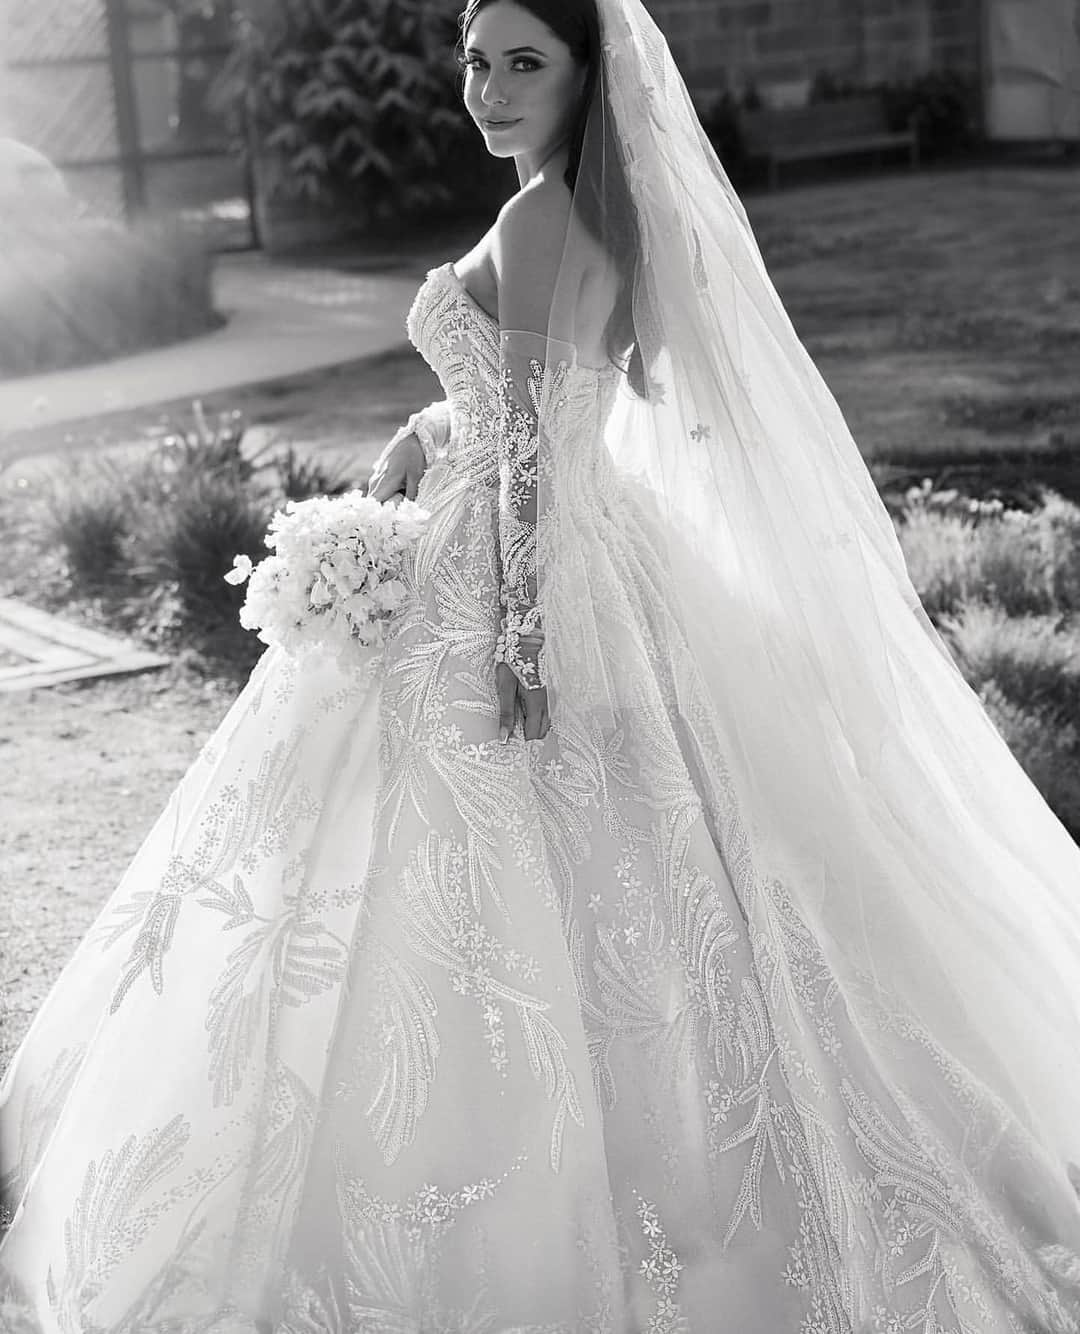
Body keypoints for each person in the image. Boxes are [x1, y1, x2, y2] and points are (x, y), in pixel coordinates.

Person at [3, 0, 1080, 1329]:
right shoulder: (583, 217)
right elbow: (542, 397)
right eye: (475, 60)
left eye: (525, 62)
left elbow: (525, 456)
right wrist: (414, 439)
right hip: (582, 554)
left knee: (467, 869)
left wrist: (517, 639)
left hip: (527, 577)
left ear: (588, 76)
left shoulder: (537, 220)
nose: (489, 87)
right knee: (636, 873)